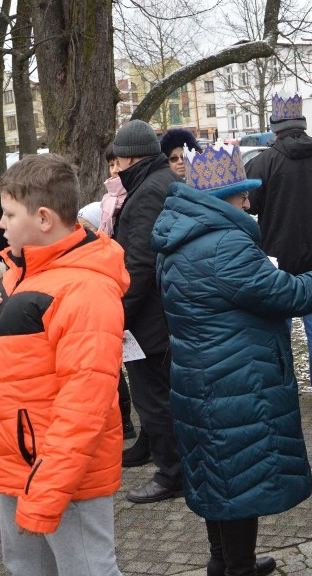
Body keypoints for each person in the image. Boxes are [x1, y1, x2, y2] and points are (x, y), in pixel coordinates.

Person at [152, 142, 312, 576]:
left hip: (198, 378)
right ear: (223, 198)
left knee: (215, 475)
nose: (249, 201)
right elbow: (287, 294)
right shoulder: (226, 244)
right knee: (240, 479)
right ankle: (238, 567)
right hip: (236, 381)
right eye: (242, 193)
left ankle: (221, 560)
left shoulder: (177, 237)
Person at [0, 154, 128, 576]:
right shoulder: (23, 274)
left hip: (64, 476)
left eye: (9, 214)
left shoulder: (84, 290)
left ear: (45, 218)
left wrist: (47, 492)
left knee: (88, 570)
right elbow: (18, 363)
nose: (0, 224)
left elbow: (84, 406)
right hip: (21, 465)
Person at [245, 93, 312, 407]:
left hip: (276, 259)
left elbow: (251, 205)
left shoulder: (262, 162)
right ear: (302, 123)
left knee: (279, 328)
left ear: (274, 127)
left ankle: (283, 391)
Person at [111, 120, 183, 502]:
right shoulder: (160, 182)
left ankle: (172, 474)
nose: (117, 168)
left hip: (149, 319)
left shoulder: (148, 192)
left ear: (130, 158)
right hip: (161, 313)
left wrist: (117, 315)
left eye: (118, 160)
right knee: (163, 396)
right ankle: (170, 463)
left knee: (153, 399)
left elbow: (140, 265)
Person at [97, 144, 139, 444]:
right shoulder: (108, 201)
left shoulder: (135, 199)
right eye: (110, 165)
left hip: (130, 288)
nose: (115, 170)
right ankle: (125, 423)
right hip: (111, 284)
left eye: (118, 163)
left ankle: (132, 426)